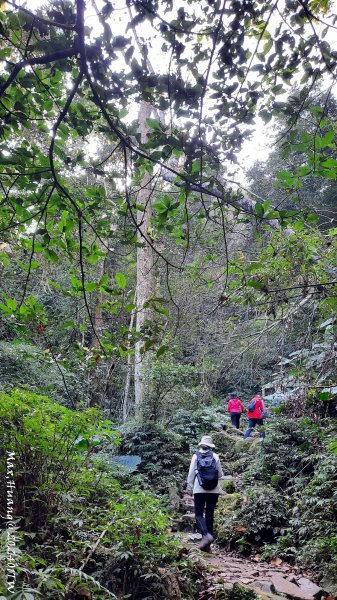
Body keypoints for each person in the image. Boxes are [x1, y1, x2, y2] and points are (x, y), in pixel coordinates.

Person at [186, 435, 224, 550]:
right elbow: (220, 474)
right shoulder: (215, 456)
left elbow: (191, 473)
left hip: (199, 489)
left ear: (201, 445)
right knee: (209, 514)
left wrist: (189, 487)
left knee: (198, 514)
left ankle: (206, 536)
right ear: (210, 446)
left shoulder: (196, 456)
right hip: (214, 490)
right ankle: (207, 546)